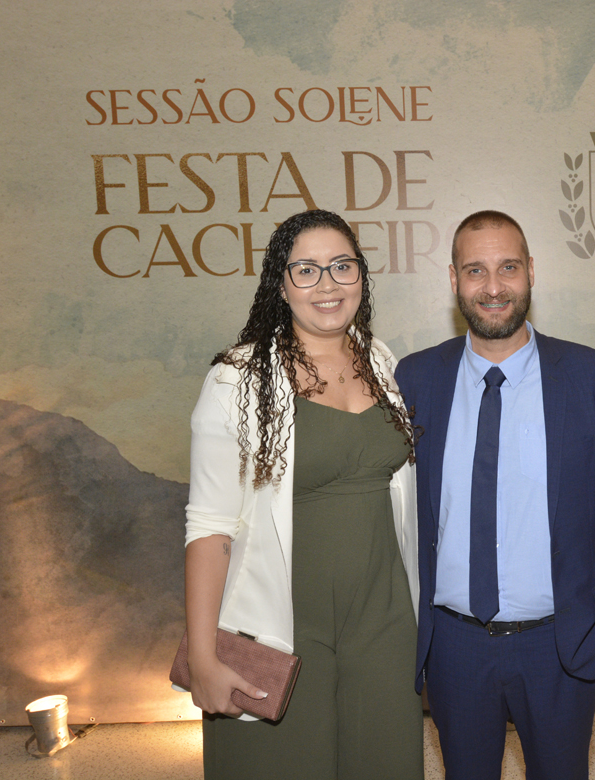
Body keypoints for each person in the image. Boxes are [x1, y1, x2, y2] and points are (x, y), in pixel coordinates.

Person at [395, 210, 595, 779]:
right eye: (475, 270)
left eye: (507, 268)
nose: (493, 287)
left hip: (559, 646)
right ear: (454, 279)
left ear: (531, 271)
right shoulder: (414, 380)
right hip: (454, 648)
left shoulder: (593, 377)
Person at [183, 209, 423, 780]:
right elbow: (209, 528)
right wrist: (202, 655)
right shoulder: (237, 380)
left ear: (361, 275)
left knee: (383, 762)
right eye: (306, 270)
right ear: (281, 284)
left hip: (385, 621)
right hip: (284, 621)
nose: (327, 284)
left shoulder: (381, 361)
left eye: (342, 266)